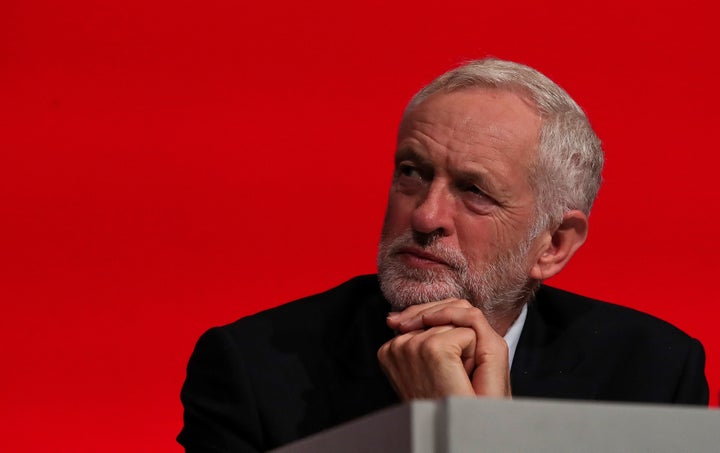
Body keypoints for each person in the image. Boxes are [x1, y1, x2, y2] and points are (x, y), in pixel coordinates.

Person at [177, 58, 709, 452]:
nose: (426, 217)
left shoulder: (648, 373)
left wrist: (470, 434)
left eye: (474, 190)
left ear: (553, 245)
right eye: (412, 172)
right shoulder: (253, 368)